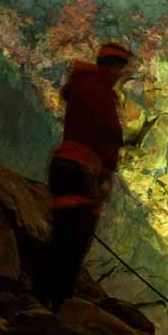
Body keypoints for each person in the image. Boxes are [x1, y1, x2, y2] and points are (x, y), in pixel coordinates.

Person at [34, 42, 132, 311]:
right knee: (74, 241)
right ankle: (57, 303)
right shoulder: (98, 89)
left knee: (63, 236)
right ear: (113, 67)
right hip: (82, 171)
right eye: (121, 69)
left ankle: (43, 295)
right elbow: (106, 131)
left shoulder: (83, 84)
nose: (121, 75)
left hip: (66, 165)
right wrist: (117, 149)